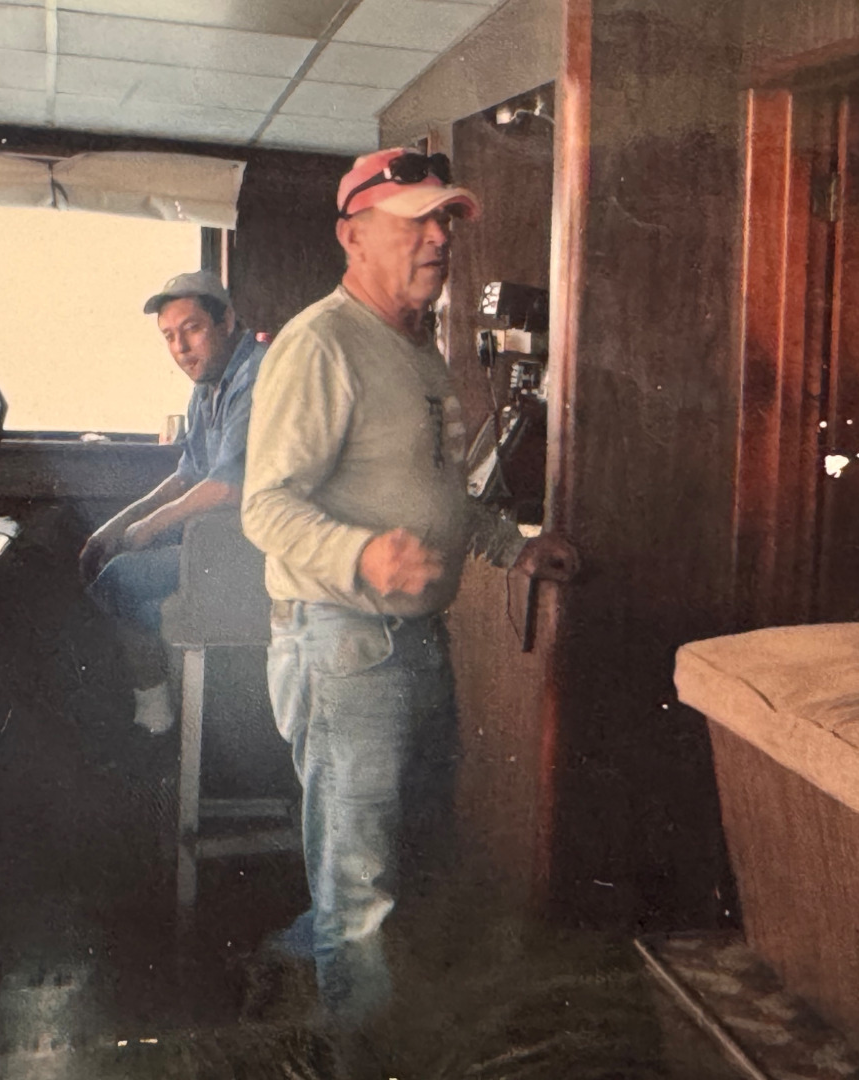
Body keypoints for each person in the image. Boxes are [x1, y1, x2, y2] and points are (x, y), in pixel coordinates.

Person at [241, 149, 578, 1035]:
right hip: (345, 645)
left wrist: (511, 548)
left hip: (414, 642)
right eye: (415, 221)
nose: (438, 239)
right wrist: (361, 555)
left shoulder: (416, 346)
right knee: (361, 887)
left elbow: (436, 492)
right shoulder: (321, 342)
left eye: (444, 222)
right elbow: (265, 507)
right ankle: (359, 1052)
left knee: (403, 861)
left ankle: (336, 1005)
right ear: (353, 236)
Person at [80, 270, 268, 733]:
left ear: (226, 321)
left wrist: (147, 528)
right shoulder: (208, 384)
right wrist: (113, 528)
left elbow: (228, 486)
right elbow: (187, 475)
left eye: (192, 329)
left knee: (119, 580)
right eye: (169, 336)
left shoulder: (257, 375)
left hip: (259, 550)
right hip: (218, 541)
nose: (181, 348)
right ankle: (168, 701)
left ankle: (155, 719)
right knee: (109, 566)